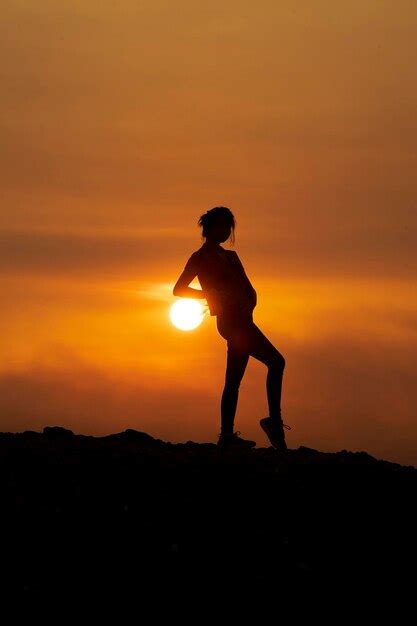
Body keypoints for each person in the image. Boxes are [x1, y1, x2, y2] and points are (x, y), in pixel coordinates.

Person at [173, 206, 291, 450]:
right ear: (209, 227)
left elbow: (246, 286)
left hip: (244, 320)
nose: (226, 231)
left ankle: (227, 434)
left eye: (229, 226)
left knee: (234, 380)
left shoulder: (231, 257)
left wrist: (248, 299)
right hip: (231, 322)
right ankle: (273, 421)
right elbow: (179, 289)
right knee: (276, 362)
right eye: (222, 225)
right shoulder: (199, 258)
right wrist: (210, 294)